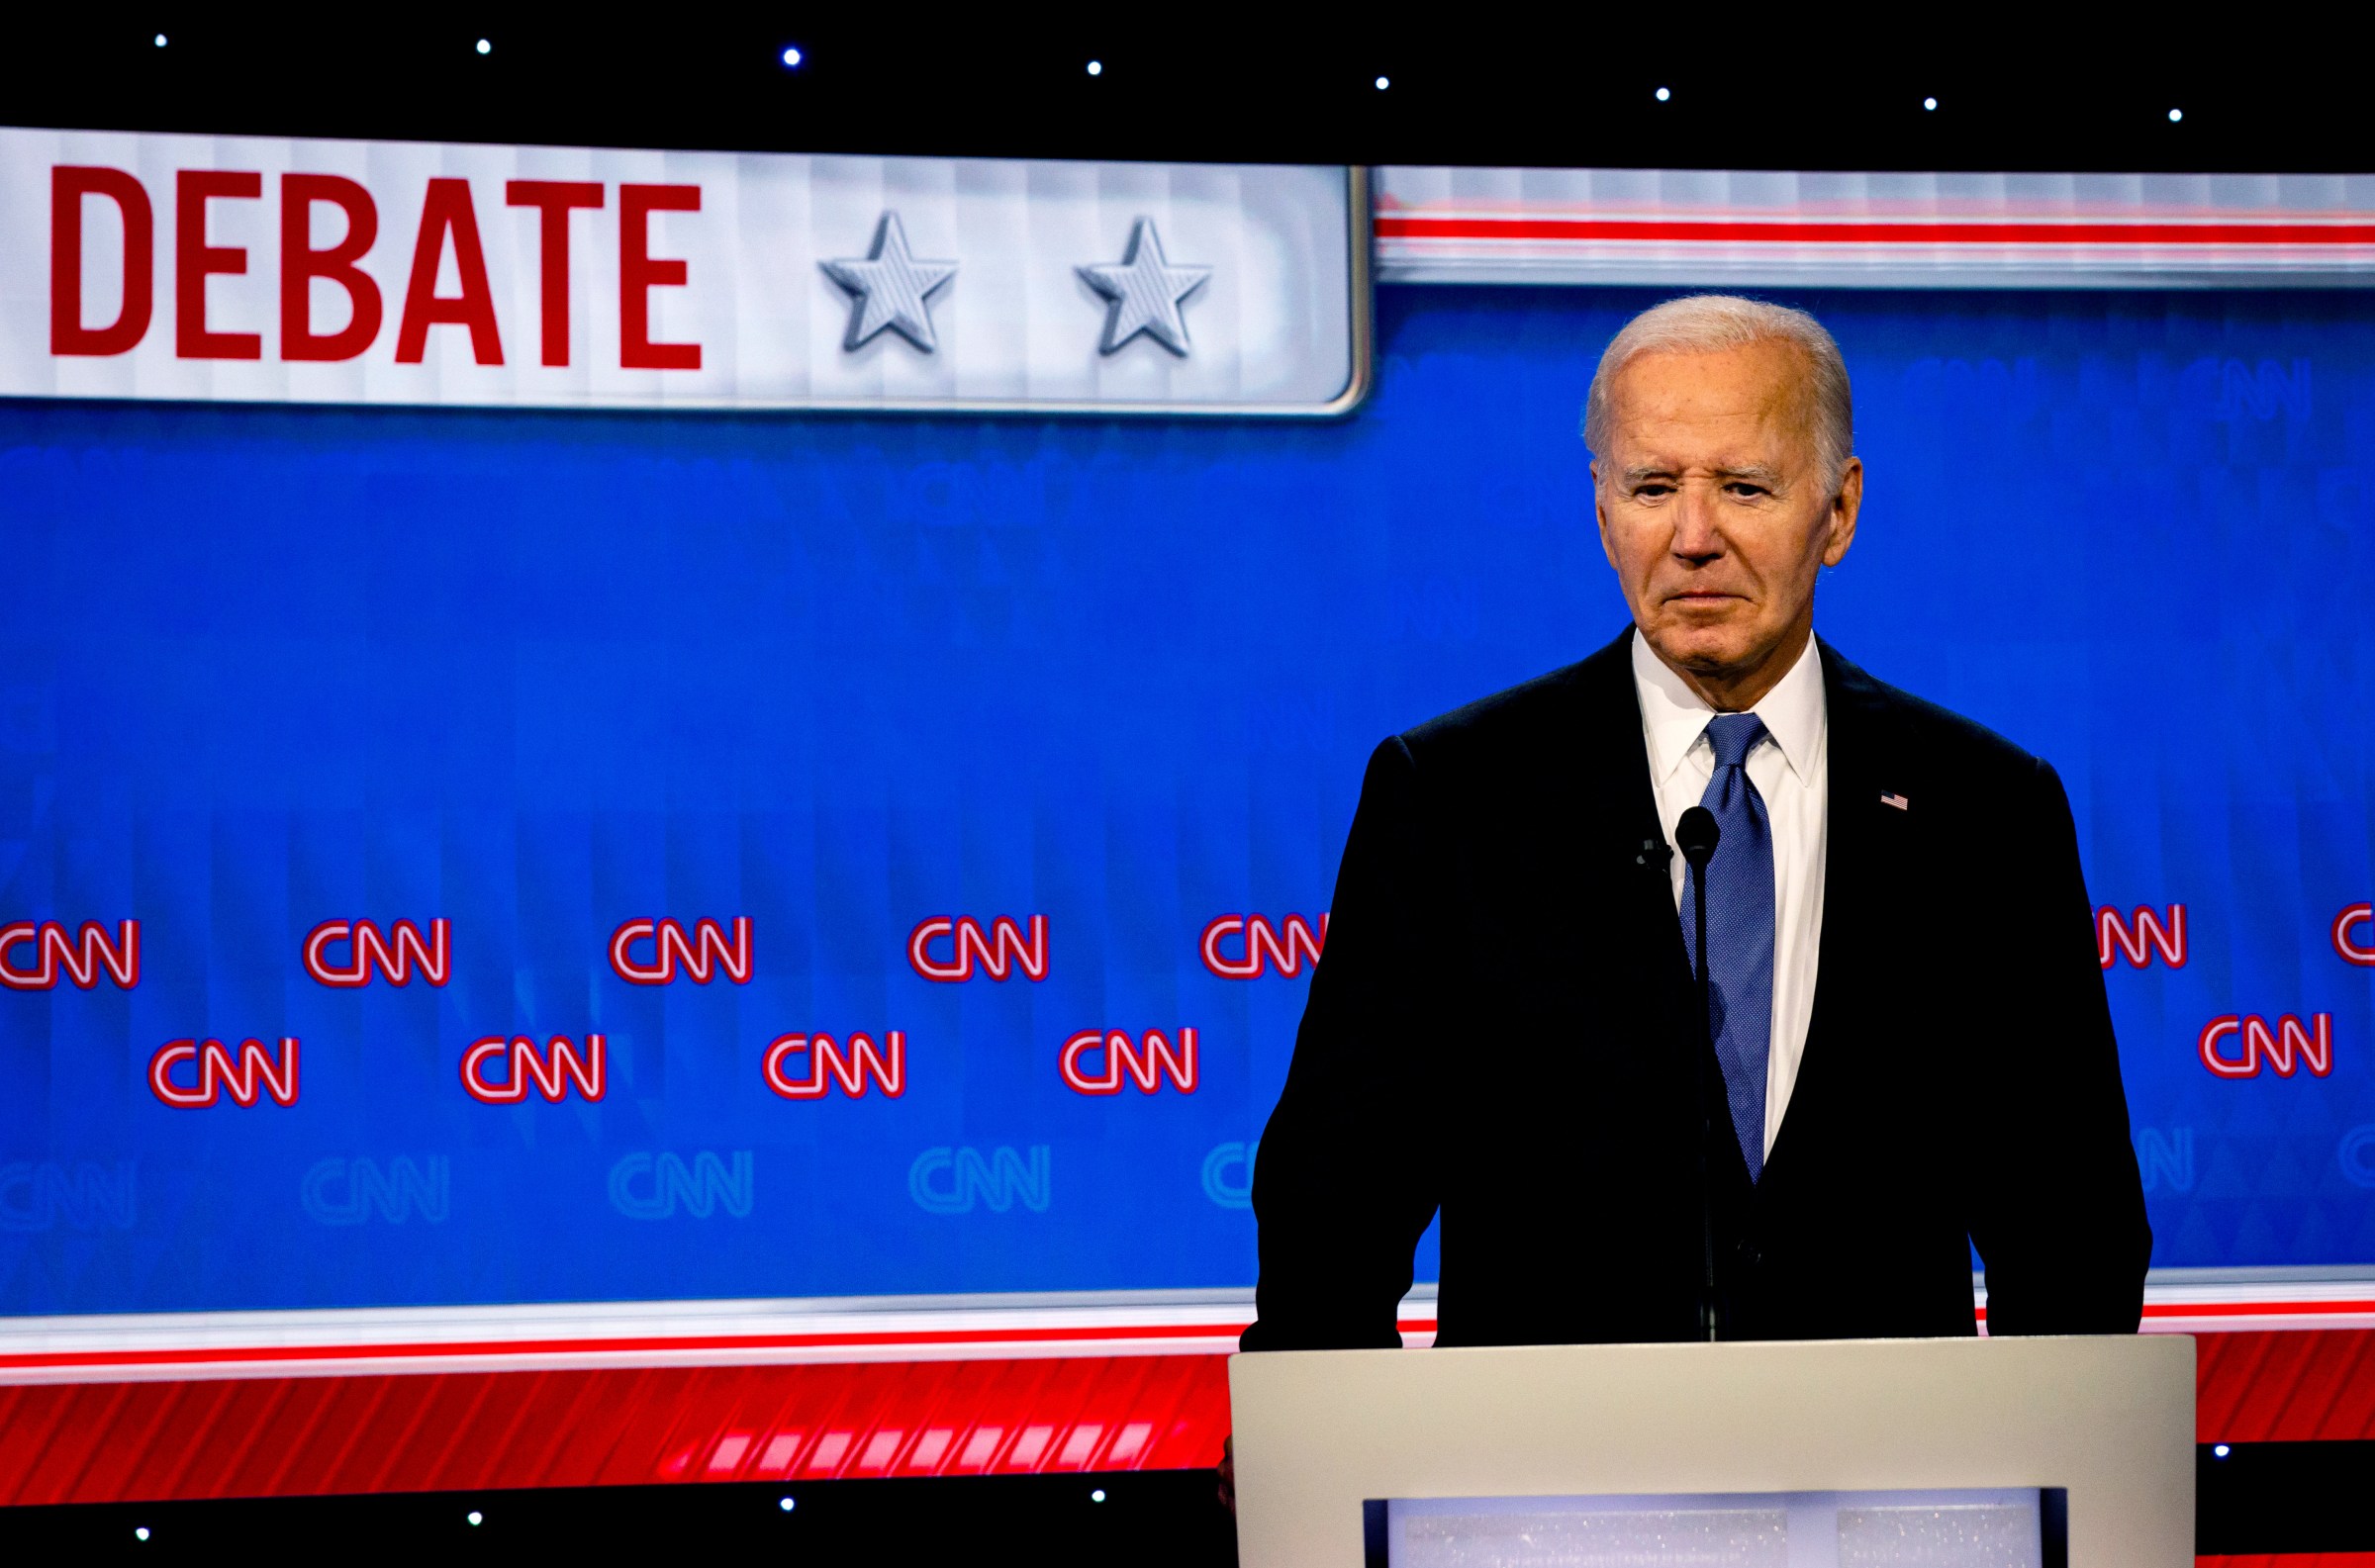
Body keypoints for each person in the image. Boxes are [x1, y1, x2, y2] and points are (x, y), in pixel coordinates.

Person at [1241, 294, 2150, 1353]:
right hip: (1548, 1494)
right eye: (1653, 486)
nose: (1693, 537)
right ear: (1601, 511)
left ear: (1840, 511)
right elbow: (1332, 1215)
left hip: (1890, 1491)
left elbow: (2073, 1232)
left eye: (1744, 487)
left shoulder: (1985, 809)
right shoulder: (1453, 796)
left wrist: (2031, 1485)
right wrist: (1342, 1470)